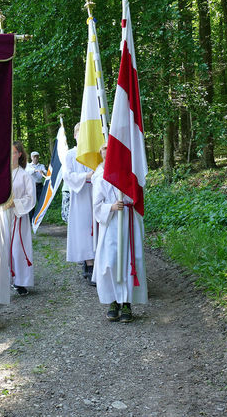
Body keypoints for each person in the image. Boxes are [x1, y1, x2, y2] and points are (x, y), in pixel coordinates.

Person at [92, 143, 148, 322]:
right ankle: (113, 300)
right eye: (106, 154)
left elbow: (138, 195)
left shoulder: (130, 173)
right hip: (111, 224)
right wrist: (111, 206)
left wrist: (127, 197)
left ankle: (127, 304)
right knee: (111, 261)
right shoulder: (101, 177)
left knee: (129, 261)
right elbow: (97, 205)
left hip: (128, 222)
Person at [63, 123, 95, 285]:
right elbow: (67, 175)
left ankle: (94, 261)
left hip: (94, 194)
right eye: (78, 133)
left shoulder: (94, 153)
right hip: (80, 195)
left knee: (94, 227)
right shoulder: (70, 154)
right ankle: (89, 264)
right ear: (74, 135)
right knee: (83, 229)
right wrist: (85, 176)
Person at [3, 141, 36, 296]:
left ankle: (20, 281)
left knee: (17, 248)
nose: (11, 156)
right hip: (2, 216)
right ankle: (3, 280)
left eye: (14, 153)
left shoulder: (25, 175)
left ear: (20, 154)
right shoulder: (1, 174)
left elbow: (31, 198)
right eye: (9, 153)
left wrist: (15, 204)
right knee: (2, 247)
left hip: (18, 216)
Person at [26, 151, 46, 219]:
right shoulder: (28, 165)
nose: (35, 158)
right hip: (31, 186)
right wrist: (36, 170)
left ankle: (40, 218)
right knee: (31, 203)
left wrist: (43, 171)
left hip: (39, 186)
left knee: (41, 202)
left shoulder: (41, 166)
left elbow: (45, 173)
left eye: (37, 156)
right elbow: (28, 171)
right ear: (31, 158)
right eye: (34, 157)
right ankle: (31, 218)